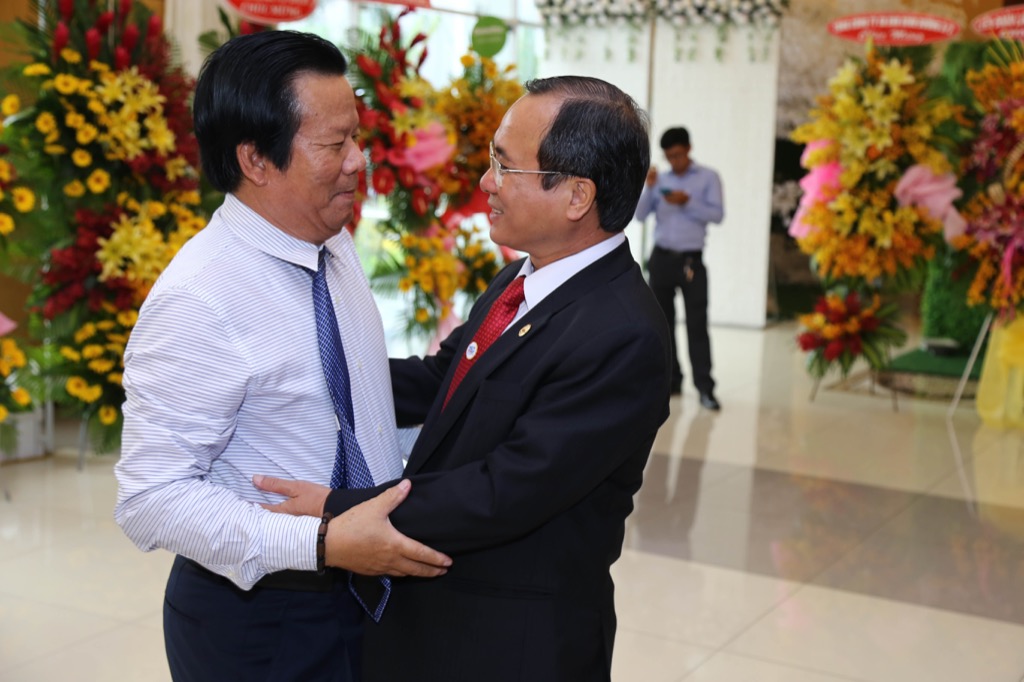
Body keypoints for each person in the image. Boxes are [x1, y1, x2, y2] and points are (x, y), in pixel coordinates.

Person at [255, 75, 672, 682]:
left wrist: (339, 510)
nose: (485, 183)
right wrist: (309, 373)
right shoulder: (522, 280)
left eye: (505, 166)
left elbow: (506, 488)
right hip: (442, 624)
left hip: (515, 643)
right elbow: (440, 380)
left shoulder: (621, 332)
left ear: (577, 195)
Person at [113, 31, 451, 682]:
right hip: (263, 620)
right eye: (334, 144)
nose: (358, 162)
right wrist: (320, 540)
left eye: (357, 137)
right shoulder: (199, 298)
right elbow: (149, 498)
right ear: (255, 159)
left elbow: (349, 403)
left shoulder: (334, 244)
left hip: (365, 591)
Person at [634, 126, 724, 410]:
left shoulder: (707, 177)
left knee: (697, 325)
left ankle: (705, 388)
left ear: (688, 149)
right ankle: (671, 381)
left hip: (691, 262)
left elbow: (717, 214)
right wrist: (649, 188)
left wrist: (688, 202)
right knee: (662, 324)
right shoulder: (660, 180)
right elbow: (639, 215)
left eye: (678, 155)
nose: (674, 161)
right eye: (669, 157)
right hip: (661, 259)